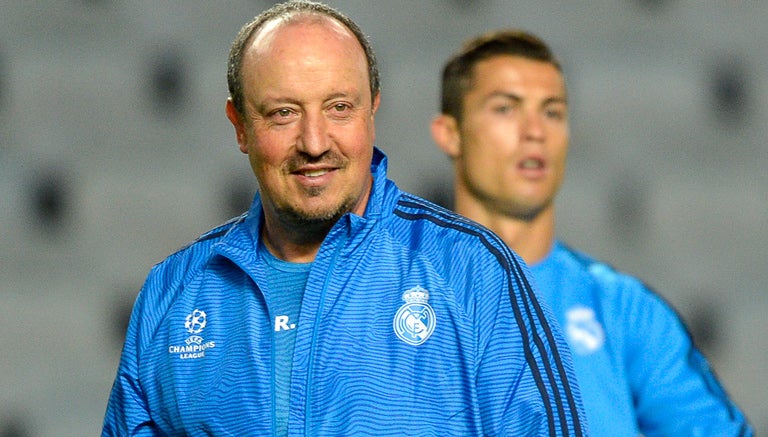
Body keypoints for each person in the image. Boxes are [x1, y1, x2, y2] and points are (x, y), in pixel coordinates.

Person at [101, 3, 587, 436]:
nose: (315, 142)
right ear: (240, 126)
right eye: (283, 113)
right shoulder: (173, 290)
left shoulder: (475, 272)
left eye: (339, 108)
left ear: (372, 109)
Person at [431, 29, 754, 436]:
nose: (535, 131)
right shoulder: (383, 302)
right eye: (506, 109)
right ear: (450, 133)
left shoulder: (623, 309)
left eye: (553, 112)